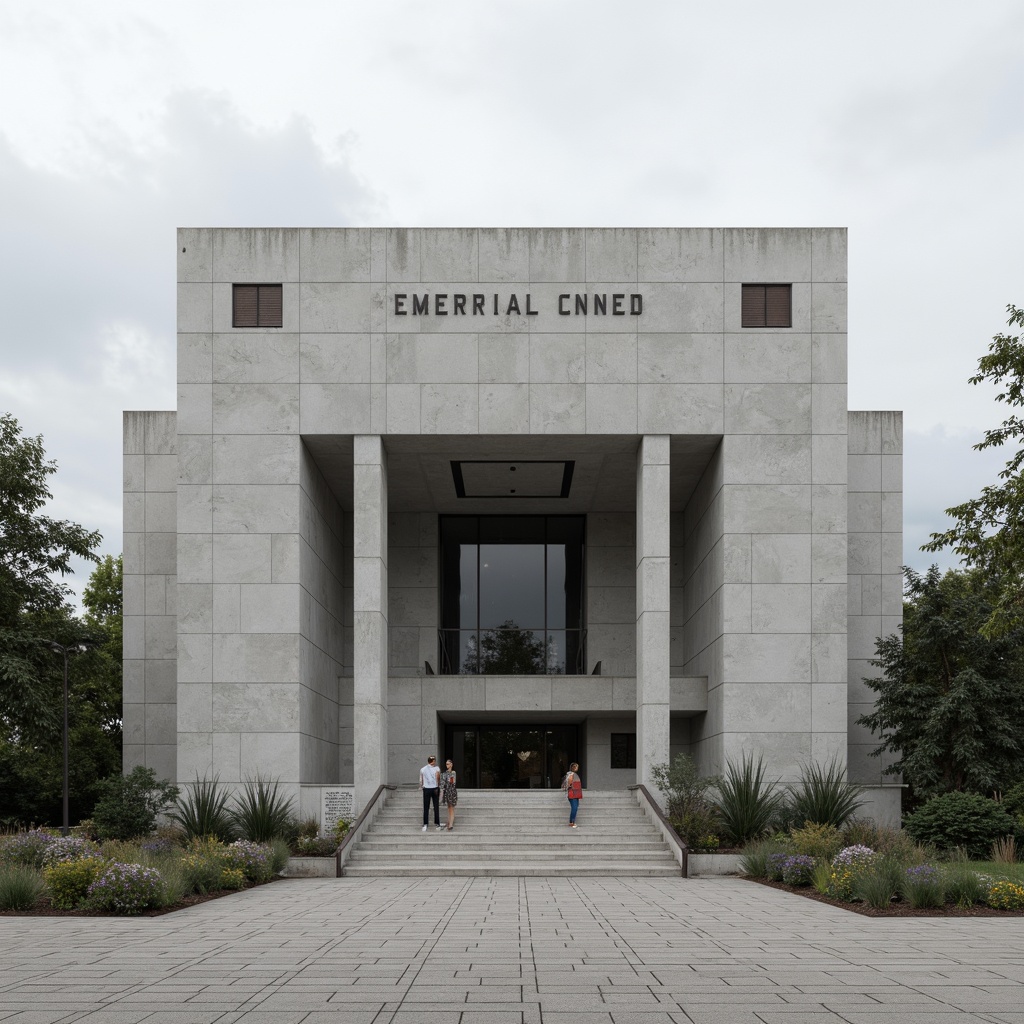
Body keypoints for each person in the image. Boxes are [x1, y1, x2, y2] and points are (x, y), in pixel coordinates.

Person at [420, 755, 442, 831]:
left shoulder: (423, 769)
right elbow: (438, 779)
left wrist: (422, 786)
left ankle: (425, 823)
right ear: (433, 761)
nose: (435, 762)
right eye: (434, 760)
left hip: (426, 789)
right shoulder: (437, 769)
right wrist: (438, 786)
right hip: (435, 788)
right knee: (436, 806)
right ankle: (437, 823)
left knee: (426, 807)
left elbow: (421, 780)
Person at [440, 759, 458, 831]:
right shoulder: (444, 773)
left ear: (451, 764)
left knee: (451, 807)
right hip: (447, 791)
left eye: (448, 764)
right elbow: (442, 783)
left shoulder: (453, 772)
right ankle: (449, 821)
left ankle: (451, 823)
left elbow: (452, 781)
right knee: (449, 807)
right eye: (446, 764)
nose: (447, 765)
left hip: (452, 791)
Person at [565, 762, 583, 828]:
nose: (577, 768)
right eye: (577, 767)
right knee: (574, 808)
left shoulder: (574, 774)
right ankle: (571, 822)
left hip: (576, 793)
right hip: (573, 793)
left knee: (575, 807)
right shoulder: (571, 774)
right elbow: (569, 784)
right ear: (574, 768)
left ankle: (572, 822)